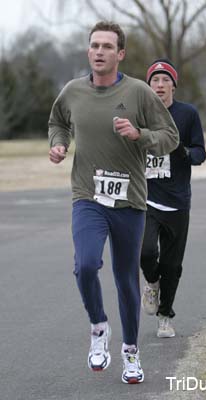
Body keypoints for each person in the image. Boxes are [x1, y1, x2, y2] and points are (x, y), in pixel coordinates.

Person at [48, 22, 179, 384]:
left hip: (130, 202)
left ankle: (131, 352)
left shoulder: (139, 92)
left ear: (120, 53)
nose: (100, 51)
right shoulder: (73, 91)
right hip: (88, 197)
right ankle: (98, 326)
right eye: (94, 45)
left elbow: (170, 136)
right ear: (88, 51)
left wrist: (140, 135)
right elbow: (57, 121)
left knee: (126, 281)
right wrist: (59, 143)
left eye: (108, 46)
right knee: (86, 265)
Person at [140, 59, 206, 338]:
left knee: (172, 265)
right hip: (146, 197)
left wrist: (183, 152)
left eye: (165, 80)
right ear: (148, 86)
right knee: (145, 252)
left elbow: (200, 153)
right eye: (155, 80)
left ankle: (165, 315)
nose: (159, 85)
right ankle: (151, 282)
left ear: (174, 86)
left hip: (178, 200)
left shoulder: (187, 114)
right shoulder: (140, 114)